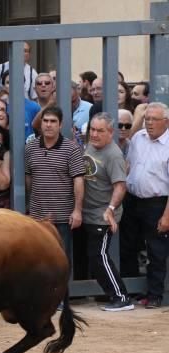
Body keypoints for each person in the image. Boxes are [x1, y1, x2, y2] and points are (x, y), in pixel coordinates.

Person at [82, 113, 133, 312]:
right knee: (94, 257)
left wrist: (110, 210)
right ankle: (110, 294)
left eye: (99, 131)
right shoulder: (91, 145)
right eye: (92, 130)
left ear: (110, 133)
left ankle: (121, 297)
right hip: (87, 211)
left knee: (99, 255)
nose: (94, 134)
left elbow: (120, 186)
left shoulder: (113, 155)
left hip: (102, 214)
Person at [120, 102, 169, 308]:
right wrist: (138, 115)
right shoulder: (138, 138)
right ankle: (134, 290)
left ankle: (155, 295)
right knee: (128, 245)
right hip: (132, 200)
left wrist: (167, 216)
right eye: (147, 119)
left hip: (157, 203)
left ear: (166, 122)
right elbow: (128, 161)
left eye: (154, 119)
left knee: (156, 250)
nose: (149, 123)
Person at [25, 106, 85, 265]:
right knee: (36, 261)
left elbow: (78, 180)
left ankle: (62, 291)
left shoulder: (71, 149)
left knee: (61, 261)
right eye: (45, 121)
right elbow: (28, 177)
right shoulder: (30, 147)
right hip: (37, 216)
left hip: (63, 218)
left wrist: (77, 211)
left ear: (60, 124)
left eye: (53, 121)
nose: (48, 125)